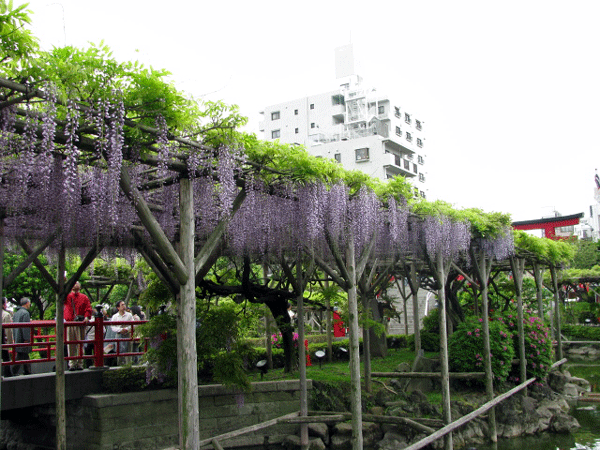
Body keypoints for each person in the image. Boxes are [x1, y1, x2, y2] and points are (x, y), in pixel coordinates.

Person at [64, 282, 93, 371]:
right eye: (74, 283)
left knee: (80, 344)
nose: (75, 284)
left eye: (77, 283)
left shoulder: (84, 297)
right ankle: (72, 363)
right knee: (71, 345)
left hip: (80, 322)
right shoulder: (67, 296)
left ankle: (80, 363)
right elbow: (62, 296)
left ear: (80, 286)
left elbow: (88, 308)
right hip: (70, 322)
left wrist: (87, 317)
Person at [11, 298, 32, 376]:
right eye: (29, 303)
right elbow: (26, 327)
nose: (30, 304)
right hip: (23, 339)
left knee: (23, 355)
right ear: (27, 303)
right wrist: (27, 339)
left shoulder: (16, 313)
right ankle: (13, 371)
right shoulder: (25, 313)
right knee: (21, 355)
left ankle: (28, 372)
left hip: (17, 337)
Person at [111, 300, 133, 365]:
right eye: (122, 305)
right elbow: (112, 327)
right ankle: (119, 365)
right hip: (119, 334)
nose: (124, 306)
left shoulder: (129, 315)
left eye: (124, 304)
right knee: (119, 351)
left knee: (128, 351)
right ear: (118, 308)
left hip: (127, 334)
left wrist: (126, 329)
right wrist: (120, 330)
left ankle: (128, 365)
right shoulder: (115, 316)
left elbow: (133, 324)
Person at [2, 298, 14, 377]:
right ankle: (8, 375)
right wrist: (10, 343)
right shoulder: (5, 314)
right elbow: (8, 330)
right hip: (2, 341)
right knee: (6, 359)